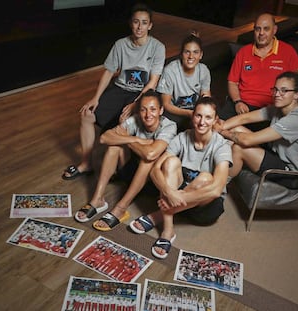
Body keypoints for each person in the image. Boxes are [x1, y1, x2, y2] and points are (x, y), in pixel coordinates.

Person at [62, 3, 166, 180]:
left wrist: (135, 103)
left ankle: (121, 170)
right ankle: (86, 163)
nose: (139, 27)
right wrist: (95, 98)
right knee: (87, 114)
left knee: (124, 121)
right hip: (119, 88)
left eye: (144, 22)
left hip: (141, 93)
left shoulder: (158, 47)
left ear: (150, 25)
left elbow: (153, 82)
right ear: (130, 23)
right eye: (136, 22)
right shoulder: (120, 44)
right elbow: (109, 72)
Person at [129, 96, 232, 259]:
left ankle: (158, 215)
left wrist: (176, 198)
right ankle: (168, 231)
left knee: (206, 178)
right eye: (198, 116)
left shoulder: (221, 146)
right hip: (177, 195)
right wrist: (169, 193)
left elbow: (216, 190)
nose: (202, 122)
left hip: (204, 206)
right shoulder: (183, 137)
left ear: (215, 120)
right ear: (192, 116)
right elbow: (155, 169)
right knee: (170, 162)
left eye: (208, 117)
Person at [74, 90, 177, 231]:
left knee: (148, 159)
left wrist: (125, 139)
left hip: (153, 182)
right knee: (113, 147)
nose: (148, 115)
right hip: (130, 171)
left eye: (153, 109)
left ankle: (121, 208)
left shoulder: (169, 126)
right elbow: (104, 138)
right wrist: (135, 139)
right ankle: (97, 199)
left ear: (161, 110)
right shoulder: (135, 120)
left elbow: (150, 154)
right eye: (143, 110)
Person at [214, 71, 298, 188]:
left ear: (297, 94)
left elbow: (247, 140)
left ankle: (218, 188)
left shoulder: (296, 120)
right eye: (275, 89)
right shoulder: (280, 107)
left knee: (239, 148)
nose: (277, 94)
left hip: (294, 175)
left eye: (284, 90)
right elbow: (245, 118)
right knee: (235, 128)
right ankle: (215, 168)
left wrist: (221, 131)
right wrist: (221, 126)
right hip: (278, 156)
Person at [218, 13, 298, 130]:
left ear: (274, 30)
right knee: (217, 126)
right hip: (242, 104)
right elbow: (232, 82)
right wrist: (237, 102)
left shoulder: (288, 52)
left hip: (271, 108)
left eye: (266, 29)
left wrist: (283, 106)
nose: (261, 33)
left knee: (264, 141)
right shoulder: (244, 52)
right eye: (258, 29)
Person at [156, 30, 211, 131]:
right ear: (181, 54)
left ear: (201, 55)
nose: (191, 56)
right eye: (187, 52)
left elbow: (206, 97)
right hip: (174, 112)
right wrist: (189, 113)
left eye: (195, 52)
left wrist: (206, 113)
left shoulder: (204, 70)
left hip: (195, 111)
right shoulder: (170, 70)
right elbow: (166, 104)